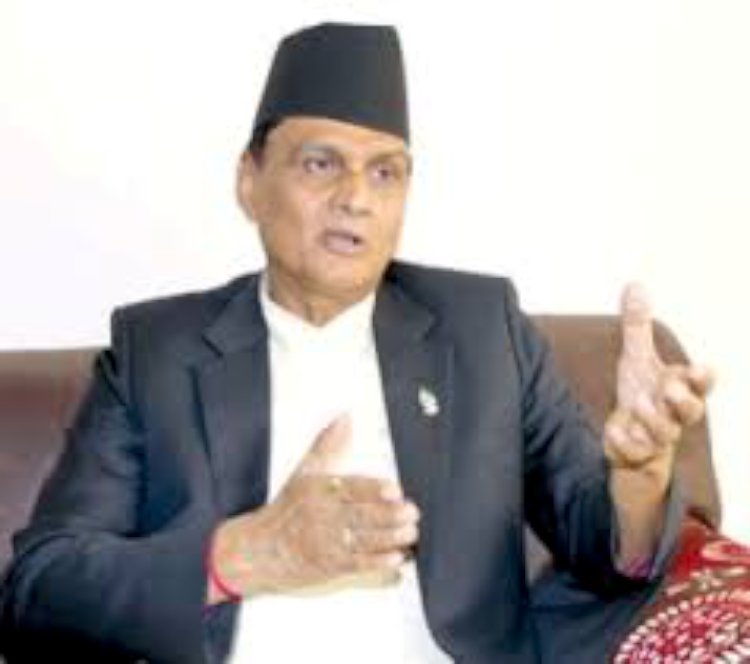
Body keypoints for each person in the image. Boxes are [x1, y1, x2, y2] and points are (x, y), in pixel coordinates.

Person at [0, 22, 713, 663]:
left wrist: (639, 475)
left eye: (385, 172)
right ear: (249, 182)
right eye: (320, 163)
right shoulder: (159, 352)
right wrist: (247, 554)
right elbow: (40, 584)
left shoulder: (482, 330)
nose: (356, 198)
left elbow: (604, 549)